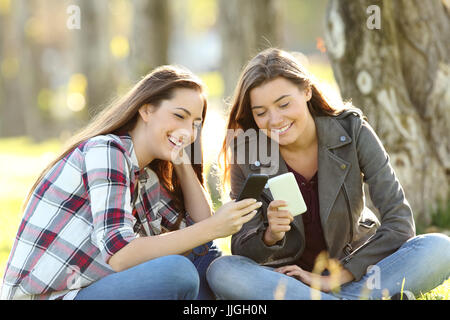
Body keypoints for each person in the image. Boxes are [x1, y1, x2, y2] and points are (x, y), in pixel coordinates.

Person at [207, 48, 450, 300]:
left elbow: (399, 221)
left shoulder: (352, 131)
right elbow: (241, 246)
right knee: (223, 270)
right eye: (261, 112)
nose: (275, 119)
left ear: (307, 91)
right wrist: (270, 236)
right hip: (288, 283)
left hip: (356, 273)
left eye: (284, 104)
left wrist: (337, 277)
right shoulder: (248, 153)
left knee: (440, 248)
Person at [1, 65, 261, 300]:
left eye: (195, 124)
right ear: (146, 109)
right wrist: (215, 227)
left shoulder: (146, 177)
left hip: (91, 289)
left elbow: (201, 236)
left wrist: (181, 160)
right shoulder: (106, 151)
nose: (188, 131)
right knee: (178, 273)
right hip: (52, 296)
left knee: (202, 255)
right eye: (179, 116)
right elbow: (121, 254)